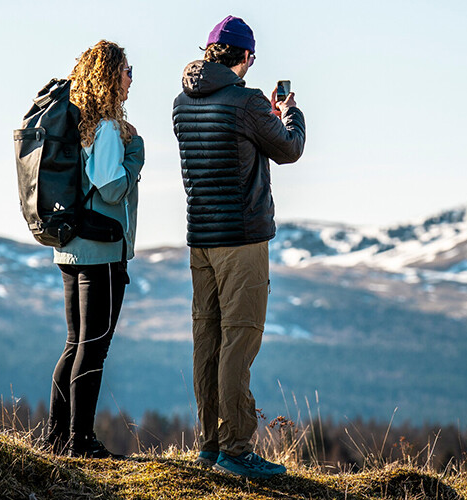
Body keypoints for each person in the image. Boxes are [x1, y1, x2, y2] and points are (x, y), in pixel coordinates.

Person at [171, 15, 306, 479]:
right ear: (245, 57)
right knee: (239, 339)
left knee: (206, 338)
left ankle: (209, 443)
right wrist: (288, 113)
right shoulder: (247, 102)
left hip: (201, 240)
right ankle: (237, 448)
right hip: (242, 240)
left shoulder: (180, 104)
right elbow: (288, 148)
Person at [46, 40, 144, 459]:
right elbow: (111, 185)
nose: (130, 79)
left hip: (71, 247)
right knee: (95, 342)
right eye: (126, 71)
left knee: (75, 342)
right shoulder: (104, 127)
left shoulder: (80, 122)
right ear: (109, 75)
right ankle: (80, 440)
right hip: (100, 249)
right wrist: (136, 156)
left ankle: (57, 437)